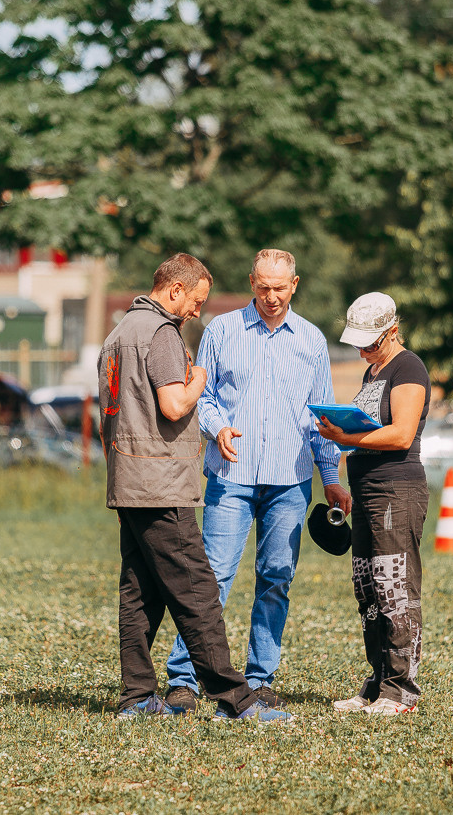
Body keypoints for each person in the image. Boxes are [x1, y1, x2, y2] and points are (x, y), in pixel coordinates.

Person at [97, 253, 290, 723]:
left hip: (128, 480)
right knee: (198, 592)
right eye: (197, 300)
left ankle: (137, 698)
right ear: (175, 289)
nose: (198, 310)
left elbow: (110, 416)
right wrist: (199, 377)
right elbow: (174, 403)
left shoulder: (118, 333)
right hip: (161, 485)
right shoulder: (161, 332)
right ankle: (236, 700)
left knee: (140, 593)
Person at [162, 249, 352, 712]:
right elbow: (202, 396)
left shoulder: (311, 340)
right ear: (251, 283)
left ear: (294, 284)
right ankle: (184, 679)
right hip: (232, 476)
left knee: (276, 577)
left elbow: (321, 417)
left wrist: (330, 478)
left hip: (290, 480)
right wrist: (217, 428)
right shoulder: (221, 331)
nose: (271, 296)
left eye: (280, 288)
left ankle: (259, 678)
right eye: (263, 287)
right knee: (212, 577)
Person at [315, 292, 430, 716]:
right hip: (365, 491)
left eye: (370, 343)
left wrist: (345, 438)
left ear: (392, 331)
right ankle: (378, 682)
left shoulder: (408, 368)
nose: (363, 351)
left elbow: (401, 434)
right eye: (357, 343)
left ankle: (401, 690)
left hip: (396, 491)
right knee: (368, 589)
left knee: (394, 587)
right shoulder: (373, 371)